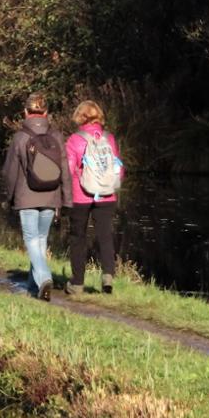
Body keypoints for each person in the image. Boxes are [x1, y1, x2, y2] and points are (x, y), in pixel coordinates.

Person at [1, 92, 73, 301]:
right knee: (41, 240)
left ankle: (43, 278)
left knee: (31, 240)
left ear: (25, 112)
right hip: (51, 197)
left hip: (27, 197)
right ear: (47, 112)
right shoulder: (57, 136)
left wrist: (9, 197)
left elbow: (10, 172)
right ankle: (34, 286)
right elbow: (65, 171)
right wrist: (66, 200)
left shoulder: (20, 137)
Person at [66, 100, 123, 295]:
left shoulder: (75, 139)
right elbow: (118, 168)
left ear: (80, 117)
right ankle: (107, 275)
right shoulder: (109, 138)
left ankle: (77, 283)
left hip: (81, 195)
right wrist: (111, 186)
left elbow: (68, 169)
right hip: (107, 195)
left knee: (78, 238)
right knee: (105, 236)